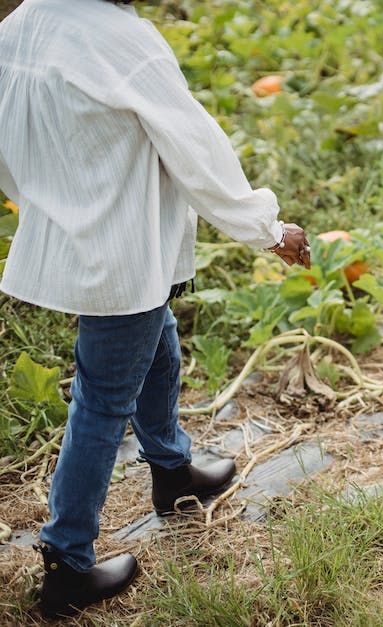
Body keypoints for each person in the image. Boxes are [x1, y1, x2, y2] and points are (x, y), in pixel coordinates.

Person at [0, 0, 311, 618]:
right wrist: (268, 230)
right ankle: (67, 562)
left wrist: (45, 198)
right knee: (101, 401)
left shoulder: (21, 26)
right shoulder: (125, 42)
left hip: (76, 239)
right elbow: (197, 151)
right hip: (122, 250)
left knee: (158, 347)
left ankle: (171, 471)